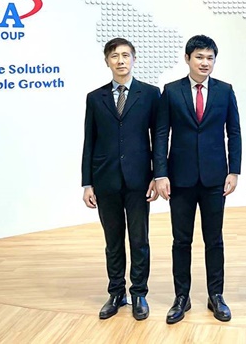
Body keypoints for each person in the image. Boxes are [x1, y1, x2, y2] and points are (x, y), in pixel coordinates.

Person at [154, 35, 242, 324]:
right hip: (179, 179)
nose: (205, 63)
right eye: (199, 57)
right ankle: (182, 296)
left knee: (214, 240)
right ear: (187, 58)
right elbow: (161, 134)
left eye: (210, 58)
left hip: (215, 178)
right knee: (181, 240)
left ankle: (216, 295)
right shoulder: (171, 91)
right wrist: (160, 174)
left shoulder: (225, 90)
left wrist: (234, 171)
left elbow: (234, 132)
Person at [81, 38, 161, 321]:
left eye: (126, 55)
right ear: (107, 61)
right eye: (114, 56)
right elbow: (89, 141)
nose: (121, 60)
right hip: (106, 181)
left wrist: (157, 175)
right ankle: (116, 292)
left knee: (139, 240)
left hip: (139, 180)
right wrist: (87, 183)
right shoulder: (95, 97)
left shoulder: (150, 94)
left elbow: (158, 138)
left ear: (134, 59)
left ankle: (139, 293)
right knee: (113, 241)